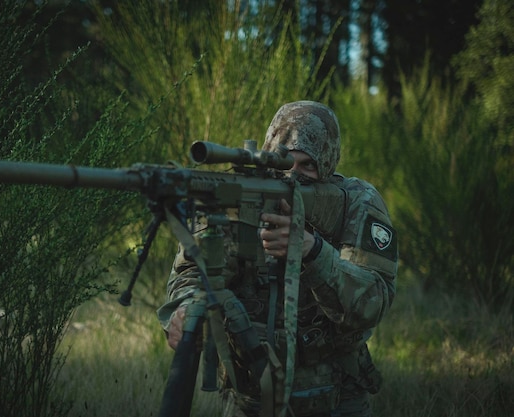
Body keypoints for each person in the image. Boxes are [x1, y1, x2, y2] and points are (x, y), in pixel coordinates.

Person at [157, 101, 398, 417]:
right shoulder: (238, 197)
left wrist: (312, 252)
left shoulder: (355, 204)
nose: (292, 177)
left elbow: (372, 303)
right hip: (249, 400)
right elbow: (192, 271)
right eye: (283, 163)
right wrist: (186, 308)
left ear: (326, 167)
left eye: (307, 166)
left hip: (337, 400)